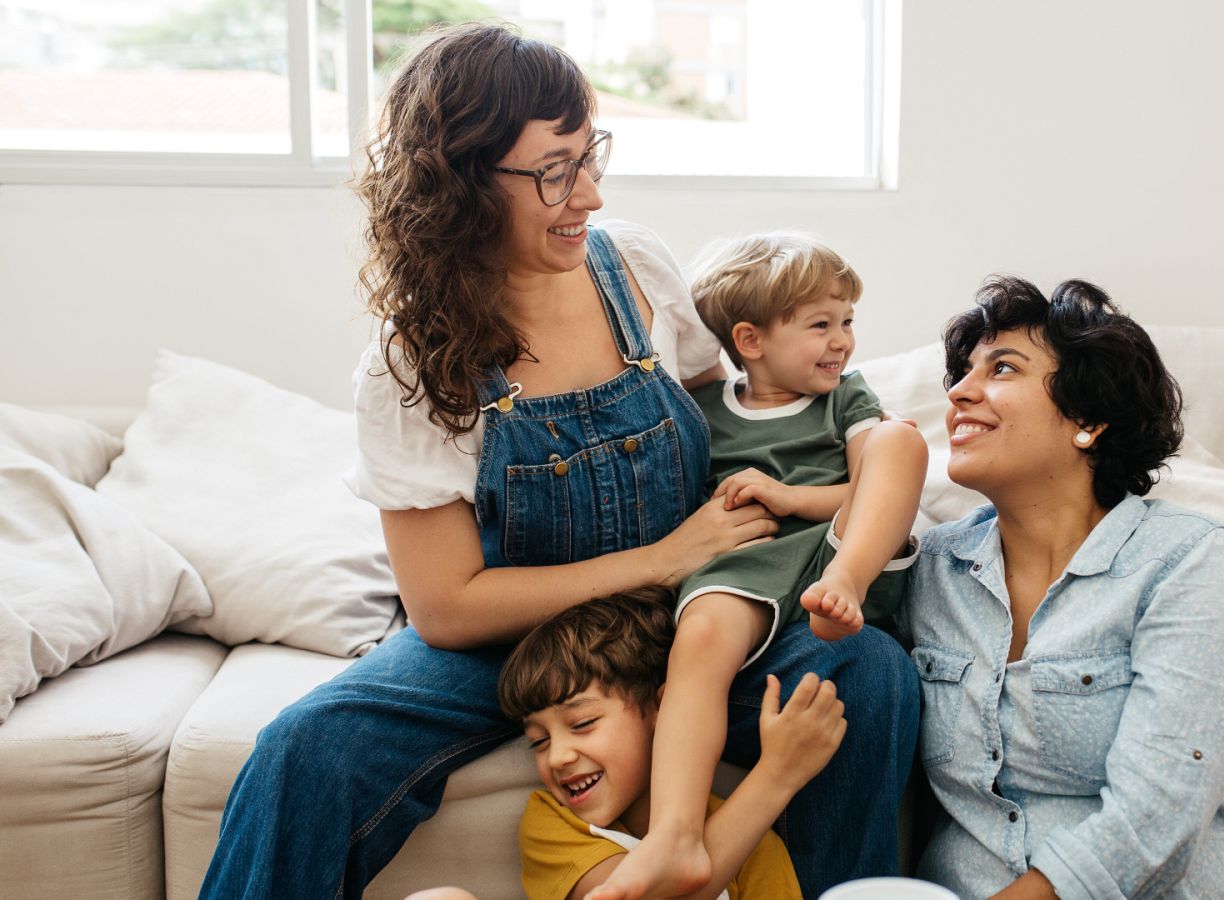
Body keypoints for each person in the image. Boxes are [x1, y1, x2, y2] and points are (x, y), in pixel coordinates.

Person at [196, 23, 919, 900]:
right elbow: (448, 608)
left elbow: (724, 422)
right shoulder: (412, 365)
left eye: (590, 156)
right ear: (459, 184)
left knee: (866, 675)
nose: (590, 195)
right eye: (553, 171)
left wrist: (805, 509)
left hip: (695, 614)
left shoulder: (639, 271)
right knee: (307, 748)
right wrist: (658, 557)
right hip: (518, 641)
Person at [901, 277, 1224, 898]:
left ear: (1089, 418)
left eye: (1001, 369)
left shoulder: (1188, 560)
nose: (960, 394)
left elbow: (1155, 818)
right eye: (962, 374)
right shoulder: (933, 569)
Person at [595, 233, 928, 899]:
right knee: (703, 638)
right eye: (820, 325)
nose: (843, 341)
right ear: (749, 340)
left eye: (848, 322)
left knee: (899, 439)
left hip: (839, 550)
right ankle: (675, 835)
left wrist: (793, 497)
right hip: (750, 561)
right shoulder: (707, 413)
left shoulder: (847, 399)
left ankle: (847, 587)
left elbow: (874, 486)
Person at [503, 586, 842, 900]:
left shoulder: (750, 840)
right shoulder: (552, 824)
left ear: (663, 709)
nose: (558, 757)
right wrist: (776, 777)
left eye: (582, 723)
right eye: (539, 741)